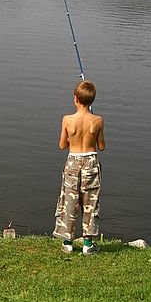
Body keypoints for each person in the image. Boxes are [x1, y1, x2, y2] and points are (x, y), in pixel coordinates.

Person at [52, 80, 105, 255]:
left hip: (73, 161)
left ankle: (68, 243)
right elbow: (101, 146)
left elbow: (61, 145)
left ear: (75, 98)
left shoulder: (67, 120)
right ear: (92, 101)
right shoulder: (98, 120)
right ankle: (87, 244)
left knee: (70, 201)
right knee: (90, 202)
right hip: (90, 161)